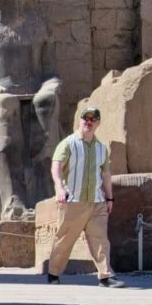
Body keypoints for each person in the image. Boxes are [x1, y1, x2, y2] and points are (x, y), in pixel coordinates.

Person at [47, 107, 125, 288]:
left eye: (93, 119)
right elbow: (56, 167)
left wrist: (110, 198)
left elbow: (105, 174)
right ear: (80, 121)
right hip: (73, 200)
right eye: (85, 118)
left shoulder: (101, 148)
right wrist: (59, 188)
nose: (89, 122)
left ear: (98, 123)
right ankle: (53, 273)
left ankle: (106, 276)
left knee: (100, 239)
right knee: (65, 240)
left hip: (97, 201)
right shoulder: (68, 144)